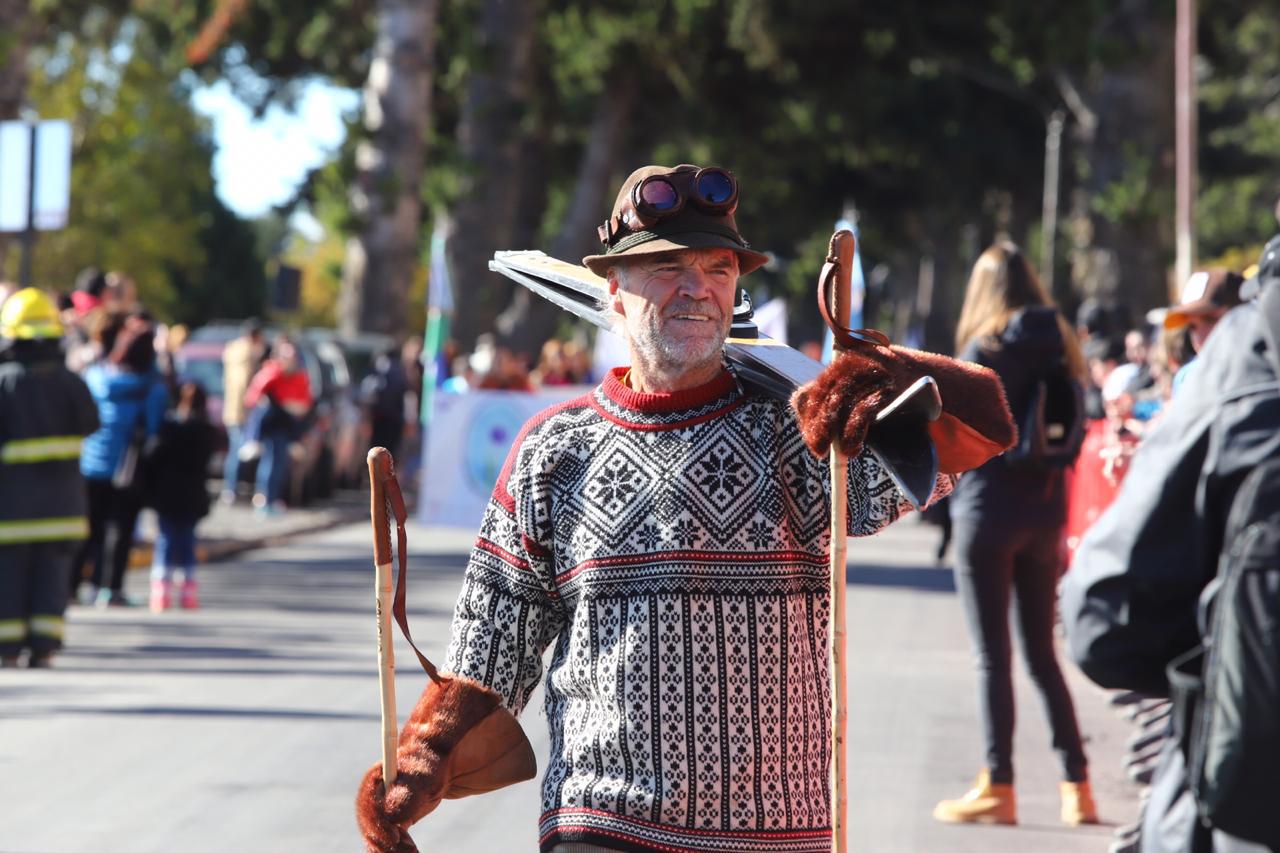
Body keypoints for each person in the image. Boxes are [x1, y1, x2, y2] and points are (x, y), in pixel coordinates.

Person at [355, 164, 1017, 852]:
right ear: (614, 288)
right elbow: (491, 641)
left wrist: (880, 374)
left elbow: (986, 423)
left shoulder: (799, 429)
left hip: (772, 827)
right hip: (603, 817)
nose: (697, 286)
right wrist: (423, 760)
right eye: (667, 266)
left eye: (718, 267)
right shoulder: (552, 448)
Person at [1062, 236, 1280, 853]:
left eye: (1208, 322)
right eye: (1191, 327)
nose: (1198, 336)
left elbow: (1102, 619)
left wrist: (1219, 656)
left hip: (1249, 802)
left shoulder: (1250, 354)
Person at [932, 242, 1098, 827]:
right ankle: (1078, 786)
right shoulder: (1063, 345)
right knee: (1042, 656)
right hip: (1046, 511)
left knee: (991, 657)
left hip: (987, 512)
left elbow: (956, 436)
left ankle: (999, 784)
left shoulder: (985, 349)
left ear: (984, 290)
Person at [0, 289, 99, 667]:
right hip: (62, 507)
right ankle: (44, 649)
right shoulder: (70, 382)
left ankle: (7, 651)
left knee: (8, 581)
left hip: (10, 512)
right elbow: (92, 422)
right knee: (51, 582)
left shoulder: (4, 382)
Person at [74, 316, 169, 607]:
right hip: (126, 468)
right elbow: (154, 431)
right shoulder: (152, 387)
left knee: (88, 528)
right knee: (121, 529)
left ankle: (72, 585)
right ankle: (109, 588)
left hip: (90, 461)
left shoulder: (97, 376)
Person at [144, 381, 219, 612]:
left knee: (166, 540)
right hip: (192, 494)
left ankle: (161, 592)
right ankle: (188, 592)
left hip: (168, 493)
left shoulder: (169, 429)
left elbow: (153, 456)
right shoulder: (207, 432)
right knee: (187, 541)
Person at [241, 334, 313, 514]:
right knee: (271, 463)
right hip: (270, 426)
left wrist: (290, 405)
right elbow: (253, 398)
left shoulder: (299, 376)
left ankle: (272, 499)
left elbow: (304, 405)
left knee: (279, 464)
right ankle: (265, 498)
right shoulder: (271, 373)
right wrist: (283, 403)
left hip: (285, 427)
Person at [1162, 268, 1244, 396]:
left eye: (1210, 320)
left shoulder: (1271, 372)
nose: (1200, 338)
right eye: (1192, 327)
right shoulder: (1187, 379)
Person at [219, 318, 265, 504]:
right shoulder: (248, 354)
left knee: (234, 450)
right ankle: (231, 489)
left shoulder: (232, 350)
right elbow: (245, 384)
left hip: (230, 407)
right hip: (243, 410)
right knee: (239, 451)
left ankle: (230, 488)